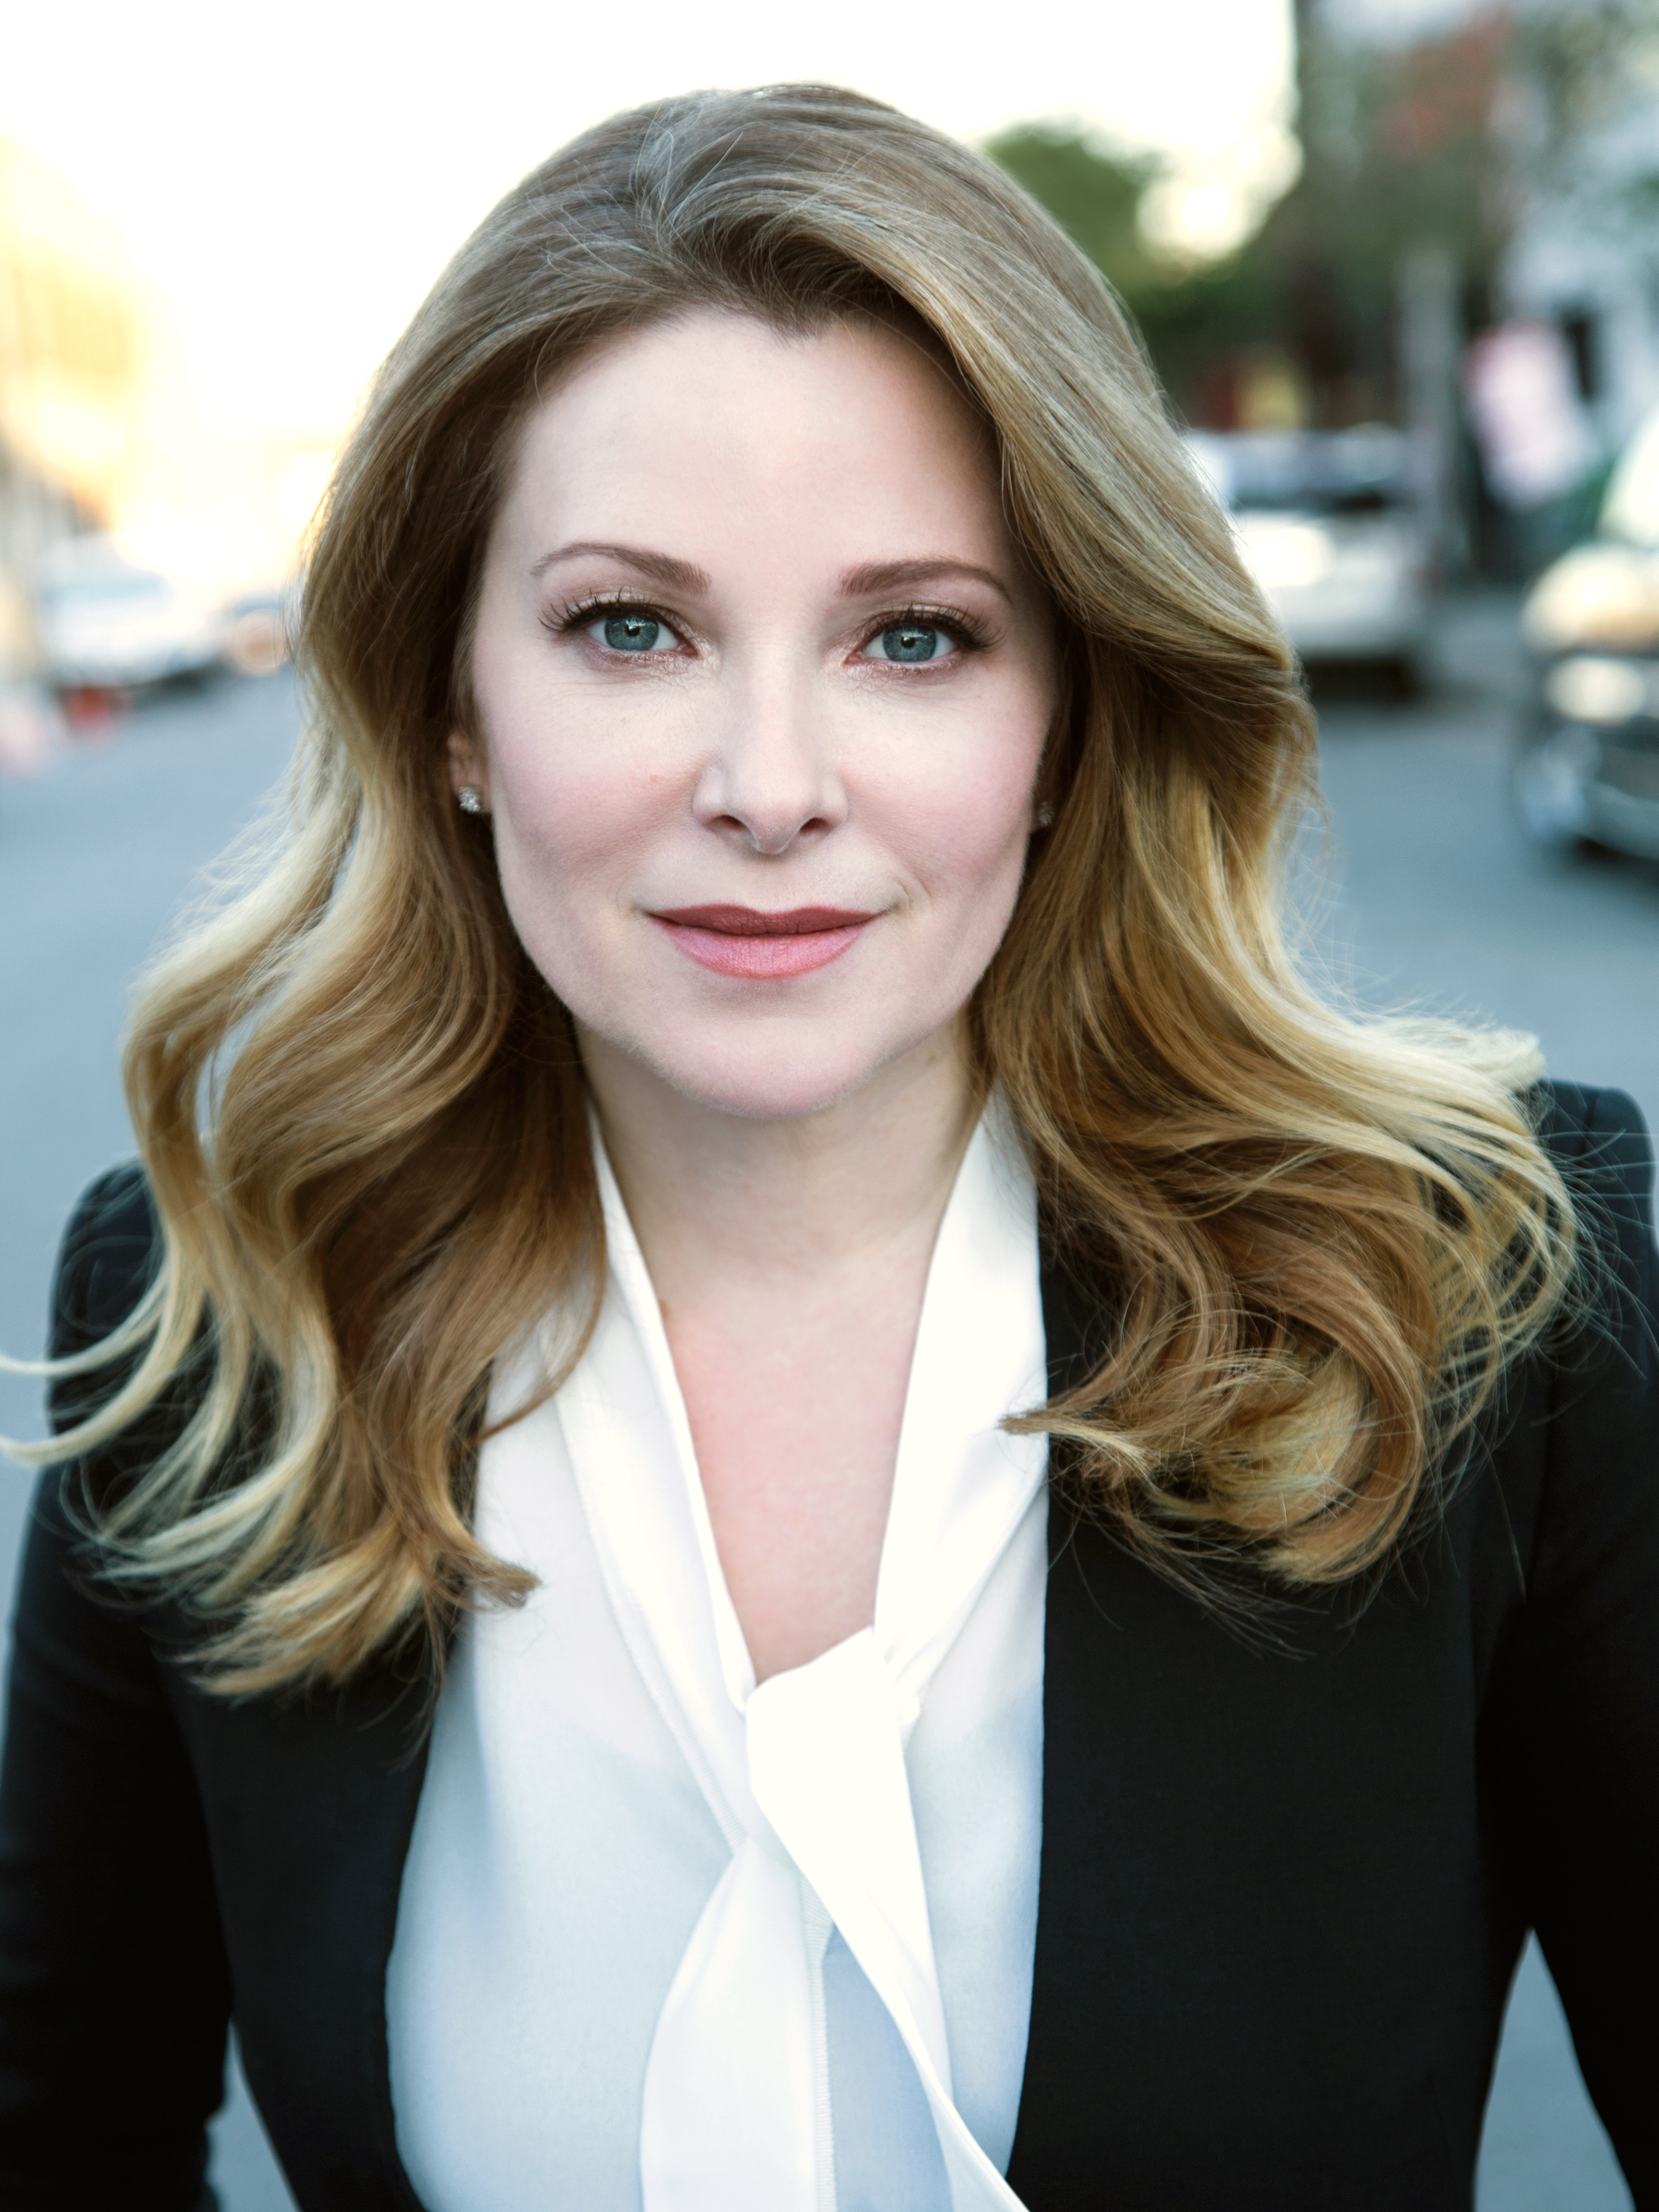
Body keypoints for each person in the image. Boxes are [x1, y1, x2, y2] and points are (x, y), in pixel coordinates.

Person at [0, 83, 1654, 2212]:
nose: (769, 786)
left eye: (913, 636)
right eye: (630, 626)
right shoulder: (228, 1311)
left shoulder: (1480, 1297)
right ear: (450, 705)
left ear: (1064, 710)